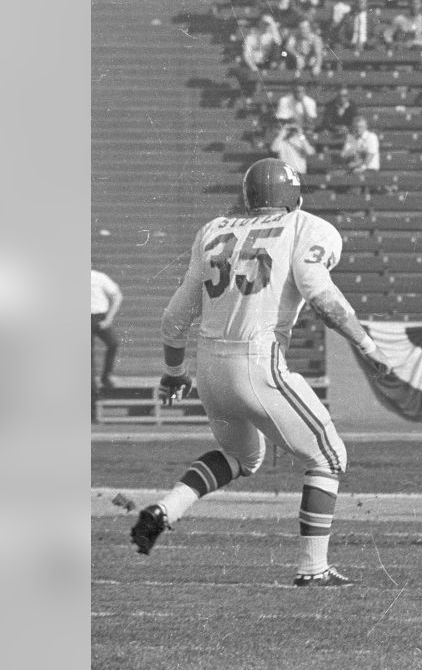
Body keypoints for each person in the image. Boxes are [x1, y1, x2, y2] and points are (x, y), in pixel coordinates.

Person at [129, 158, 393, 587]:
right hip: (257, 361)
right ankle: (313, 568)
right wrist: (365, 344)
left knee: (241, 457)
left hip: (210, 369)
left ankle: (164, 510)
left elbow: (176, 316)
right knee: (329, 457)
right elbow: (321, 296)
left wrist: (175, 372)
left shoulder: (214, 230)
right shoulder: (308, 227)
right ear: (296, 196)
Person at [91, 269, 124, 391]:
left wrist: (109, 319)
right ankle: (91, 385)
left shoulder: (99, 277)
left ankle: (105, 377)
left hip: (99, 316)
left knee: (113, 343)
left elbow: (117, 296)